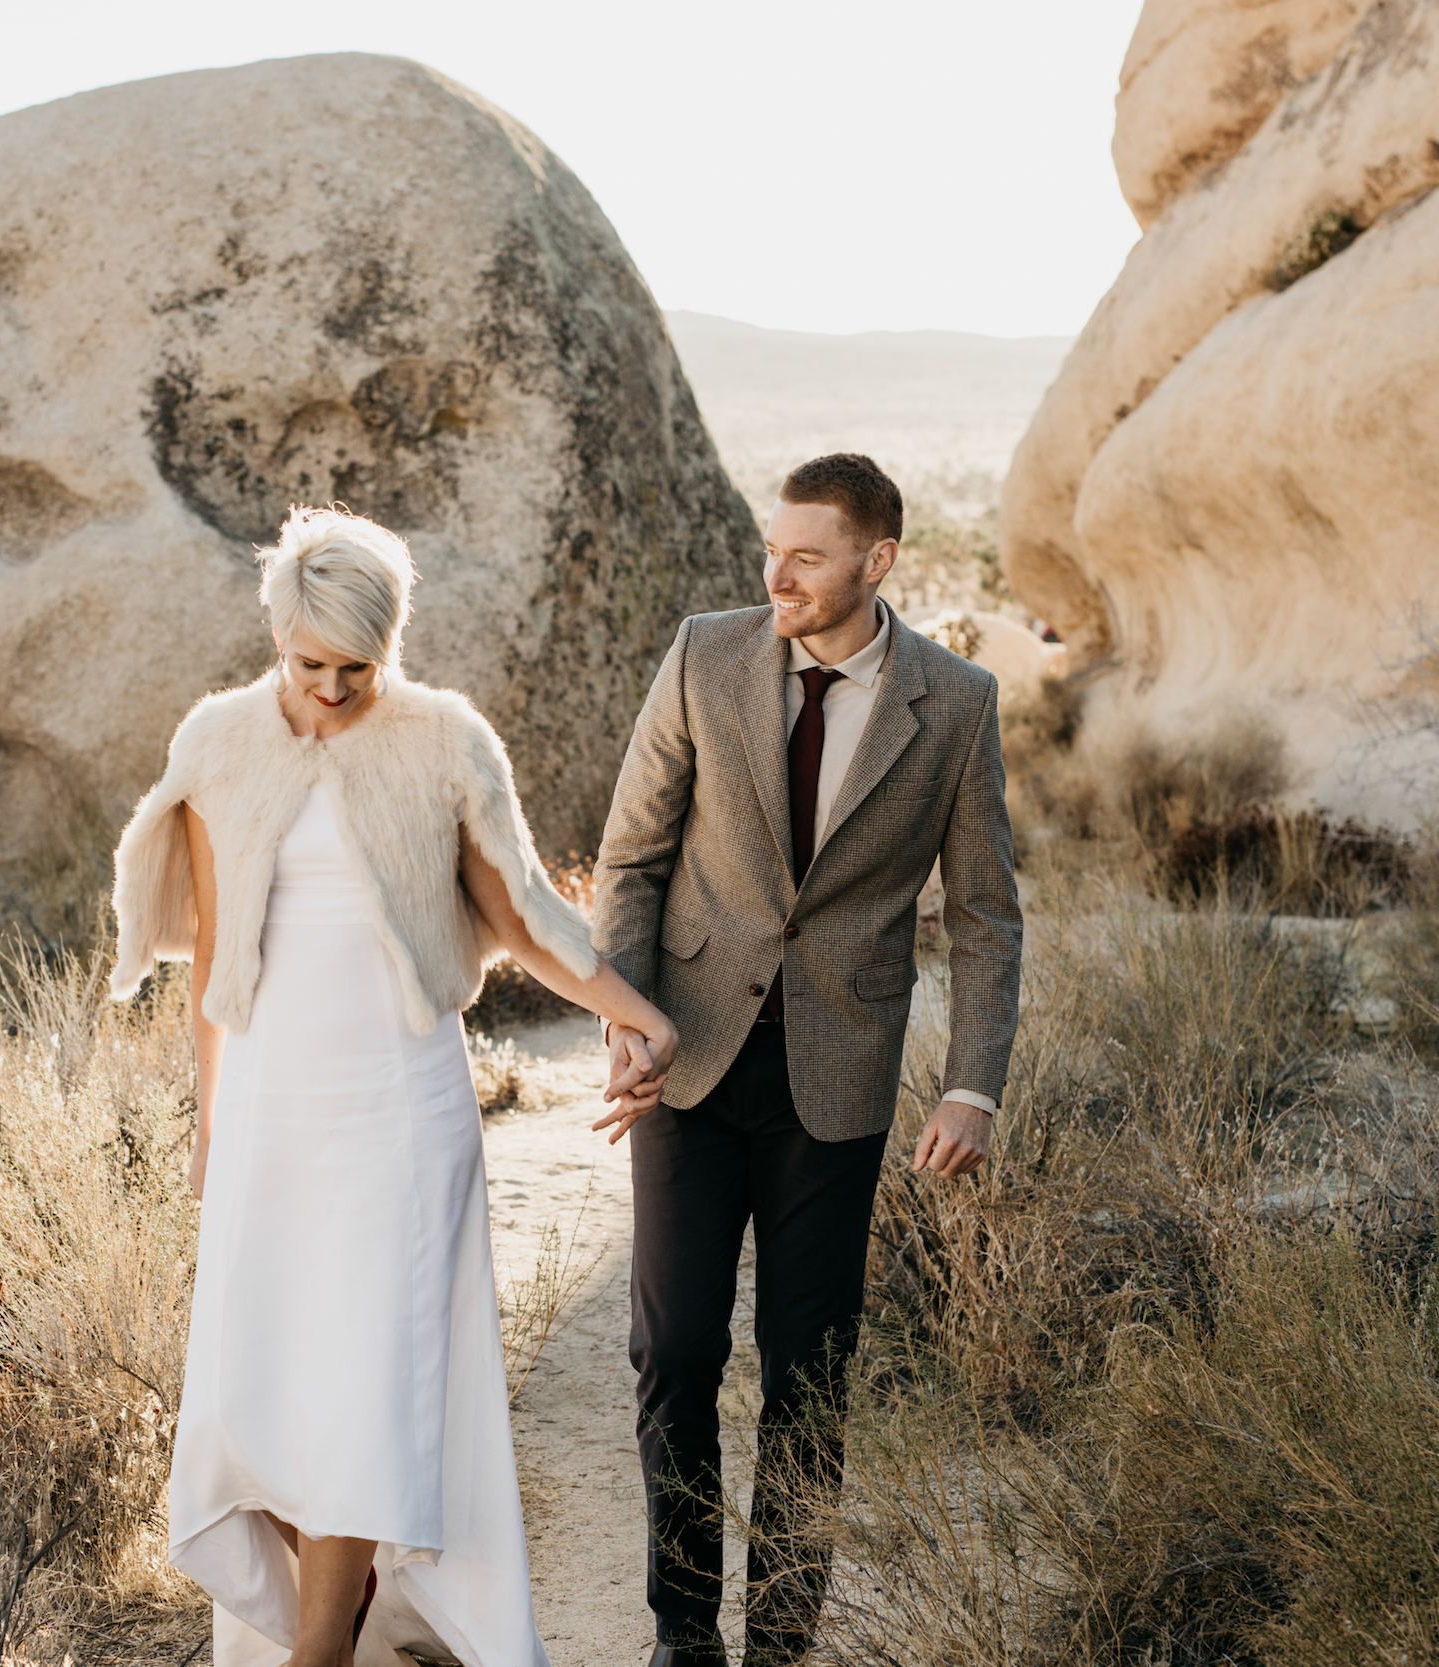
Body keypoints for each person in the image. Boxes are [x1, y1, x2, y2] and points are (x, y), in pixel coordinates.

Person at [108, 505, 680, 1667]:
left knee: (366, 1386)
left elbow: (519, 911)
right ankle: (355, 1599)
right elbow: (215, 961)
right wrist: (211, 1130)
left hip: (399, 1113)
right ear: (276, 636)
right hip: (271, 1108)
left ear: (392, 644)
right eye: (307, 663)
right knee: (255, 1392)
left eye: (354, 667)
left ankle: (321, 1652)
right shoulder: (220, 737)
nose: (328, 688)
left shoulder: (441, 738)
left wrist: (635, 1011)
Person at [591, 453, 1023, 1667]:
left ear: (876, 562)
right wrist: (623, 1010)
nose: (773, 574)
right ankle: (684, 1631)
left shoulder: (956, 701)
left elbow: (986, 911)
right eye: (770, 549)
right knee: (672, 1348)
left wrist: (970, 1084)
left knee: (810, 1370)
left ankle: (782, 1637)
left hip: (837, 1078)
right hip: (686, 1051)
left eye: (805, 555)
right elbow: (631, 857)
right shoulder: (703, 651)